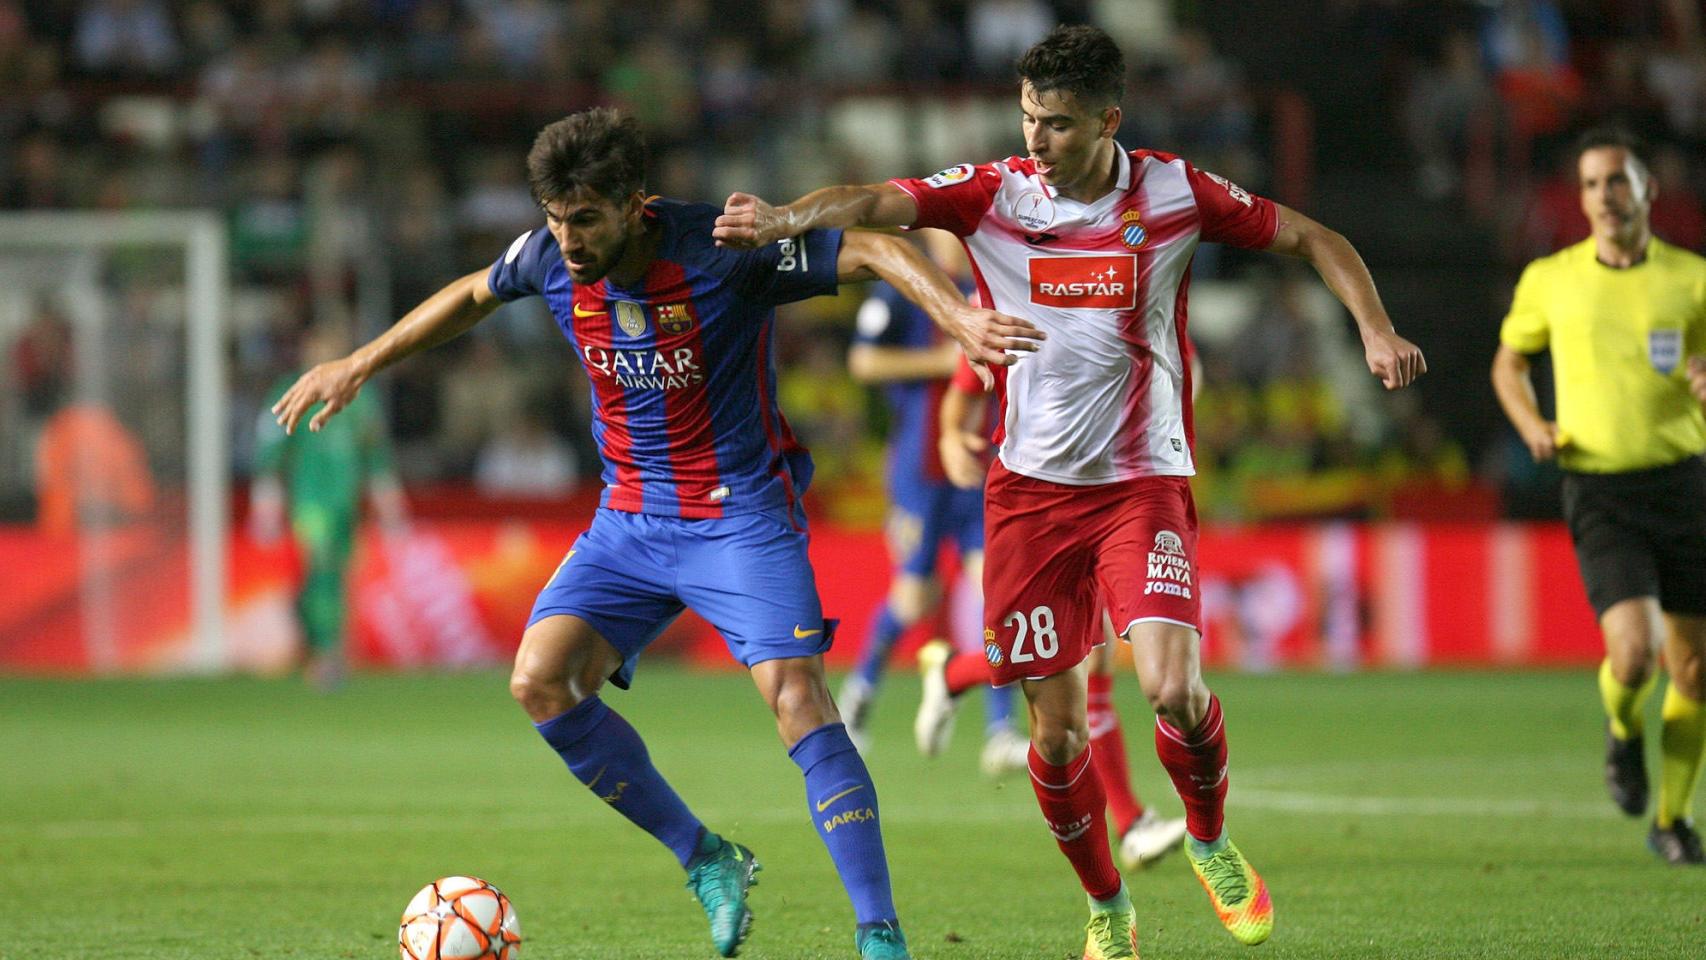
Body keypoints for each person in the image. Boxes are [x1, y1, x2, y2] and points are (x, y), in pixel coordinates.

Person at [714, 24, 1425, 956]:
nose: (1034, 139)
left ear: (1107, 120)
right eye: (1027, 119)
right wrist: (782, 219)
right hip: (1029, 496)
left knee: (1173, 689)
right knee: (1053, 739)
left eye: (1053, 123)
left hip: (1142, 484)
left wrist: (1372, 329)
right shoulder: (996, 193)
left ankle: (1209, 839)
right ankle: (1107, 907)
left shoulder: (1174, 191)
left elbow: (1314, 237)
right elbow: (877, 201)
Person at [272, 107, 1040, 960]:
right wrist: (359, 363)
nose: (567, 239)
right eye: (557, 218)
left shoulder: (720, 251)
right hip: (629, 521)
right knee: (540, 681)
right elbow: (469, 295)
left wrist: (958, 319)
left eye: (586, 219)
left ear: (636, 205)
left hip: (738, 512)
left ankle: (879, 932)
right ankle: (707, 857)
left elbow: (873, 247)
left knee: (795, 697)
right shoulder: (547, 258)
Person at [1491, 126, 1706, 865]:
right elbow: (1509, 365)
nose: (1605, 196)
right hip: (1601, 488)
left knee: (1696, 669)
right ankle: (1623, 733)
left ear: (1648, 189)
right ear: (1579, 199)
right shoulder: (1551, 279)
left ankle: (1672, 821)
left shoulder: (1693, 279)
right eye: (1591, 183)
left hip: (1684, 484)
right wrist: (1530, 425)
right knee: (1636, 654)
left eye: (1618, 179)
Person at [923, 355, 1190, 870]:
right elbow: (963, 383)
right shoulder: (1019, 300)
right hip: (1042, 509)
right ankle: (1130, 824)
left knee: (1096, 657)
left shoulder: (1138, 303)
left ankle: (1131, 822)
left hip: (1123, 500)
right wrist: (951, 436)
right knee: (1071, 664)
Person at [838, 228, 1028, 775]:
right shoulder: (905, 285)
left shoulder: (996, 282)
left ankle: (1000, 729)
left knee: (997, 592)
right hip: (921, 467)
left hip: (979, 463)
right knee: (914, 598)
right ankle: (859, 695)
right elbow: (863, 363)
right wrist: (946, 361)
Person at [252, 323, 406, 689]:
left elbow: (376, 455)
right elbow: (271, 450)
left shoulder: (359, 397)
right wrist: (266, 501)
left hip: (347, 504)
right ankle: (323, 652)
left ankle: (331, 649)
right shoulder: (291, 392)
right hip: (311, 501)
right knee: (320, 570)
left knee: (338, 577)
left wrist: (389, 502)